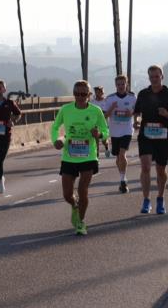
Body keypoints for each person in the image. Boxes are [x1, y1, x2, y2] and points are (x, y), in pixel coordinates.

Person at [51, 81, 109, 236]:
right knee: (67, 195)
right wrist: (55, 140)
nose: (80, 97)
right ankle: (75, 205)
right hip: (69, 157)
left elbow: (105, 130)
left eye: (84, 94)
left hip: (88, 155)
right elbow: (55, 127)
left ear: (89, 95)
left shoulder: (96, 111)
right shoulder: (66, 109)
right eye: (77, 94)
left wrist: (100, 135)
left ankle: (81, 222)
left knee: (83, 190)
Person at [133, 66, 168, 215]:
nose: (154, 79)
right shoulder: (143, 94)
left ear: (162, 76)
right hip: (146, 135)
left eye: (157, 76)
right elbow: (136, 111)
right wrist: (136, 120)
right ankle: (146, 200)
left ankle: (160, 198)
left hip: (163, 137)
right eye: (151, 76)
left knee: (160, 170)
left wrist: (167, 114)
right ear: (148, 77)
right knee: (146, 166)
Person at [103, 75, 136, 193]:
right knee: (118, 158)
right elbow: (105, 116)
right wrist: (112, 108)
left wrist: (131, 113)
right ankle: (122, 177)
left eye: (123, 84)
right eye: (119, 84)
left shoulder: (132, 98)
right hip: (115, 131)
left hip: (127, 130)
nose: (121, 86)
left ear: (126, 84)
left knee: (122, 155)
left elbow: (136, 111)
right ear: (115, 85)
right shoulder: (110, 99)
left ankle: (123, 180)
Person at [91, 86, 111, 157]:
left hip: (104, 124)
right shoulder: (92, 102)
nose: (99, 93)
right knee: (95, 140)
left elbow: (108, 113)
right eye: (97, 91)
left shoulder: (106, 101)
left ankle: (106, 147)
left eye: (100, 91)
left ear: (103, 92)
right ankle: (96, 155)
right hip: (94, 124)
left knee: (104, 141)